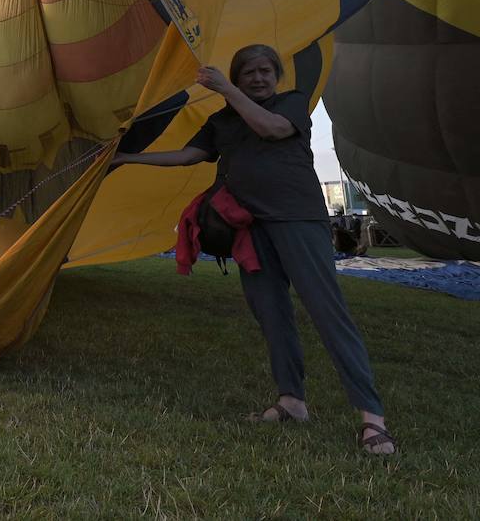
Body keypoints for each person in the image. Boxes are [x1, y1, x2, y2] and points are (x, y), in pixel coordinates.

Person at [112, 44, 396, 455]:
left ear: (276, 75)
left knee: (326, 310)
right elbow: (187, 156)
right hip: (249, 226)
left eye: (265, 71)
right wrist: (127, 157)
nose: (258, 78)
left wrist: (226, 88)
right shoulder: (221, 121)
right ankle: (291, 401)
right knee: (271, 312)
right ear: (239, 76)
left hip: (297, 220)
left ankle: (373, 418)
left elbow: (271, 129)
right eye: (249, 73)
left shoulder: (291, 103)